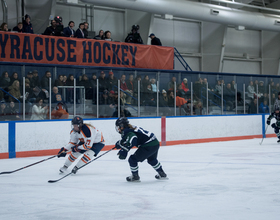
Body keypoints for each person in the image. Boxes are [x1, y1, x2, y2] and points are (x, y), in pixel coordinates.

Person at [114, 117, 167, 182]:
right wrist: (121, 142)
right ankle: (162, 173)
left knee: (132, 159)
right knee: (152, 159)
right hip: (155, 143)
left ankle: (135, 177)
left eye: (118, 127)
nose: (118, 129)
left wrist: (124, 150)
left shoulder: (126, 131)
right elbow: (130, 138)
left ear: (122, 126)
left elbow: (133, 139)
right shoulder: (131, 128)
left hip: (148, 145)